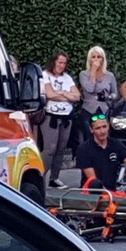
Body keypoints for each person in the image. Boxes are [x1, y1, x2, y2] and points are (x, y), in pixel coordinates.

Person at [42, 51, 80, 189]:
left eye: (64, 63)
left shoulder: (67, 78)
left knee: (61, 148)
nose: (62, 65)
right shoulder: (45, 75)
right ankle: (41, 176)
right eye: (60, 62)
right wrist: (67, 95)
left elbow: (77, 96)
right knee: (50, 148)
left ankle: (54, 178)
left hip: (66, 116)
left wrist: (62, 93)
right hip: (51, 115)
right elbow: (49, 94)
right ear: (54, 62)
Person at [76, 113, 126, 190]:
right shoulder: (84, 149)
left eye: (104, 127)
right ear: (91, 129)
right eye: (98, 128)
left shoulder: (116, 144)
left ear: (108, 126)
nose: (102, 131)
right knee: (95, 183)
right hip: (91, 192)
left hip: (112, 190)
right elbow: (92, 179)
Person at [79, 46, 118, 142]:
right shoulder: (84, 74)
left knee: (104, 138)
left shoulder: (109, 75)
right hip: (89, 110)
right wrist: (93, 71)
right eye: (93, 57)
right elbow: (90, 88)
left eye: (99, 57)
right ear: (89, 59)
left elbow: (115, 94)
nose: (96, 59)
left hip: (103, 110)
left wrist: (109, 96)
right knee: (89, 139)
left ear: (103, 59)